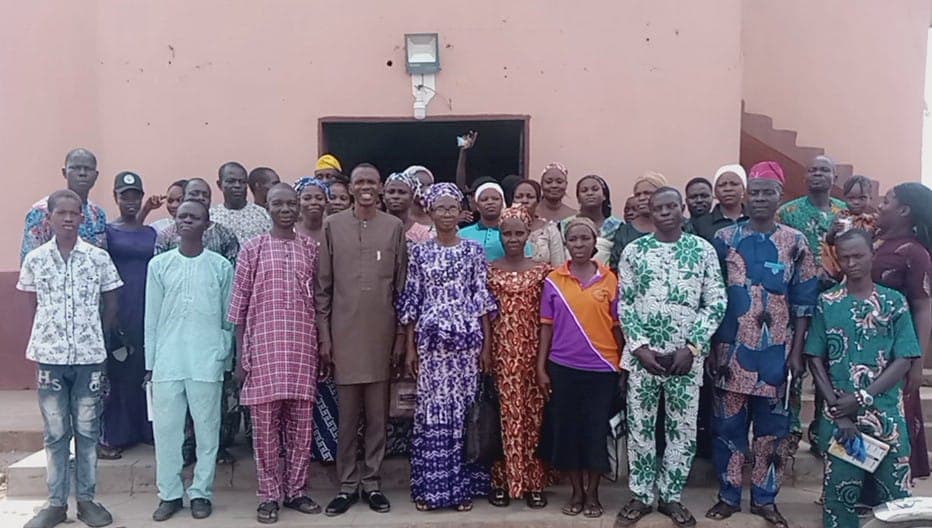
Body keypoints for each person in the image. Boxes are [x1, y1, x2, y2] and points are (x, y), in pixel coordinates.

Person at [705, 164, 818, 528]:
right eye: (754, 192)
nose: (760, 199)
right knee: (728, 429)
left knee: (772, 433)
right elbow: (711, 297)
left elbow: (804, 303)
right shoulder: (724, 239)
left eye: (768, 192)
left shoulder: (795, 242)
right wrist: (710, 348)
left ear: (779, 197)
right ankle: (728, 496)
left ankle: (765, 500)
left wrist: (797, 353)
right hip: (729, 353)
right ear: (745, 196)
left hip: (777, 356)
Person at [615, 188, 727, 527]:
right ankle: (641, 495)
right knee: (641, 428)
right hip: (643, 358)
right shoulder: (635, 251)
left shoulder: (702, 250)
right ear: (650, 212)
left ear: (682, 209)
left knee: (682, 429)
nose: (665, 212)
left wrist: (692, 347)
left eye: (671, 206)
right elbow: (625, 302)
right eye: (658, 208)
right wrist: (639, 347)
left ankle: (671, 496)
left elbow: (716, 301)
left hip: (685, 360)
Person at [19, 189, 122, 528]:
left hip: (89, 358)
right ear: (48, 218)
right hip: (49, 359)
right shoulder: (36, 260)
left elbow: (111, 303)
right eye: (60, 213)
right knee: (55, 432)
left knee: (88, 431)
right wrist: (45, 339)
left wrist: (96, 338)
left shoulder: (97, 258)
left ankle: (87, 501)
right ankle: (55, 503)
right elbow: (31, 306)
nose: (67, 218)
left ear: (81, 217)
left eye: (73, 212)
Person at [805, 229, 918, 528]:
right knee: (840, 497)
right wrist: (838, 411)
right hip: (843, 421)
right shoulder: (828, 302)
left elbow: (904, 358)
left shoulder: (894, 302)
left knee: (896, 498)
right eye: (845, 258)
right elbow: (814, 357)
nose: (851, 263)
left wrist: (864, 397)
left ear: (872, 255)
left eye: (858, 256)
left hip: (886, 416)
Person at [398, 182, 496, 512]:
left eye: (452, 208)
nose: (446, 214)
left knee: (464, 412)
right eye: (440, 208)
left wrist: (486, 348)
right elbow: (412, 300)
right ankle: (432, 489)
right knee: (433, 412)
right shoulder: (419, 252)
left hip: (467, 345)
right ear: (430, 211)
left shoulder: (473, 252)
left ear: (461, 212)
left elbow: (482, 301)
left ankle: (461, 488)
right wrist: (410, 348)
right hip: (431, 346)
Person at [316, 163, 407, 516]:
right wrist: (325, 337)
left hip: (382, 337)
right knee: (348, 418)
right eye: (359, 182)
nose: (366, 187)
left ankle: (372, 483)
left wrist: (400, 337)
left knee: (377, 418)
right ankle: (347, 485)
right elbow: (323, 288)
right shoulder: (332, 226)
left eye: (371, 181)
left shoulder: (393, 227)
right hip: (343, 337)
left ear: (380, 187)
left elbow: (401, 288)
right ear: (350, 187)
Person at [229, 184, 321, 523]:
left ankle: (296, 491)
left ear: (298, 208)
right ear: (267, 207)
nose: (285, 209)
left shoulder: (311, 248)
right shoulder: (252, 248)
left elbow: (320, 301)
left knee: (301, 427)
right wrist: (240, 357)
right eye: (278, 203)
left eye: (291, 203)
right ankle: (268, 495)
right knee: (265, 430)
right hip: (263, 351)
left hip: (302, 349)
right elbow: (238, 308)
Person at [145, 200, 233, 522]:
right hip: (167, 361)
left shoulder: (221, 267)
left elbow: (228, 319)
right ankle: (169, 494)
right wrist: (150, 364)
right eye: (182, 216)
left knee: (207, 432)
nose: (186, 221)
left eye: (194, 217)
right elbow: (151, 318)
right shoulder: (159, 265)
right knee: (167, 433)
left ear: (206, 225)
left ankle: (200, 492)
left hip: (206, 360)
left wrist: (224, 360)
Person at [536, 216, 620, 519]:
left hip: (602, 369)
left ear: (595, 242)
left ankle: (594, 493)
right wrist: (541, 367)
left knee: (595, 431)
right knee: (568, 430)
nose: (579, 244)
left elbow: (618, 327)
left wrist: (622, 366)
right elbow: (546, 327)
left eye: (585, 238)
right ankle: (576, 492)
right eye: (573, 239)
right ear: (566, 243)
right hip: (563, 366)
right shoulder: (553, 280)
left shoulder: (610, 279)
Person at [154, 178, 239, 466]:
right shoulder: (164, 247)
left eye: (203, 195)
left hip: (208, 347)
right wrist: (152, 360)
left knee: (209, 414)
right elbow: (155, 307)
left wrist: (225, 351)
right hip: (172, 349)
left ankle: (208, 471)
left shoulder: (222, 249)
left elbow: (229, 305)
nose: (188, 220)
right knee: (171, 419)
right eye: (193, 195)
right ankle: (177, 470)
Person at [486, 205, 552, 509]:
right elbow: (484, 315)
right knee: (503, 416)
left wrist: (543, 360)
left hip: (533, 353)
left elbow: (548, 318)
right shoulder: (489, 270)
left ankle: (533, 481)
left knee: (533, 417)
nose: (513, 239)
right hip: (500, 354)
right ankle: (502, 481)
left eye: (518, 233)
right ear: (500, 235)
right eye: (507, 233)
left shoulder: (542, 271)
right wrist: (486, 351)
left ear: (528, 235)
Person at [872, 182, 932, 479]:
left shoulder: (915, 253)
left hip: (895, 352)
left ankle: (891, 485)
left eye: (887, 201)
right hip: (862, 346)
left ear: (904, 210)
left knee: (892, 419)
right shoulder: (874, 242)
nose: (880, 206)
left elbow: (923, 306)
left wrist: (916, 362)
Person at [99, 172, 157, 460]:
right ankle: (118, 434)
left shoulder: (151, 233)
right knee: (119, 372)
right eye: (125, 196)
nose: (130, 201)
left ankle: (146, 430)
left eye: (136, 196)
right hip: (118, 309)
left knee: (145, 370)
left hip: (148, 308)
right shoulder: (109, 232)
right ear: (115, 197)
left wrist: (145, 213)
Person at [21, 148, 108, 263]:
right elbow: (29, 260)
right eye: (76, 168)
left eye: (88, 169)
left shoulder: (98, 214)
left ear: (96, 175)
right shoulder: (42, 211)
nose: (82, 173)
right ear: (64, 172)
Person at [155, 178, 240, 264]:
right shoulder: (166, 236)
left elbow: (231, 269)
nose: (200, 198)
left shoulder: (225, 235)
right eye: (194, 194)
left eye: (205, 196)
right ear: (182, 199)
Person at [821, 175, 878, 280]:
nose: (856, 202)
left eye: (862, 198)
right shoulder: (841, 217)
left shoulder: (872, 221)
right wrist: (833, 231)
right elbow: (829, 242)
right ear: (844, 198)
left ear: (870, 198)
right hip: (841, 263)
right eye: (851, 198)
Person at [459, 182, 531, 261]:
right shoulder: (462, 234)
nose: (490, 202)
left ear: (502, 203)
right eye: (484, 199)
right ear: (477, 206)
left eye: (495, 199)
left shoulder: (514, 234)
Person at [560, 175, 621, 265]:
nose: (590, 193)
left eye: (595, 189)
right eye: (584, 190)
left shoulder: (618, 226)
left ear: (604, 195)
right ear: (578, 198)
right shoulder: (564, 225)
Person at [609, 171, 666, 270]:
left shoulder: (677, 227)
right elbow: (616, 266)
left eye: (647, 193)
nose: (641, 198)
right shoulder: (624, 232)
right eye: (637, 195)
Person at [210, 161, 272, 245]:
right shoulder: (211, 216)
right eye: (231, 181)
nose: (237, 185)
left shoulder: (263, 215)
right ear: (219, 184)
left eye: (242, 182)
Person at [512, 179, 566, 267]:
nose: (524, 200)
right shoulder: (503, 228)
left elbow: (558, 266)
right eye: (519, 197)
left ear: (538, 201)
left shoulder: (549, 229)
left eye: (530, 197)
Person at [689, 165, 748, 244]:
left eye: (734, 184)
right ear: (715, 192)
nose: (728, 189)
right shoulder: (700, 224)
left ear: (744, 189)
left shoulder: (756, 219)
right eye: (722, 185)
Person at [384, 172, 433, 243]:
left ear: (412, 197)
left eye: (402, 192)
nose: (395, 196)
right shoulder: (374, 227)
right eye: (391, 192)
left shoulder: (422, 234)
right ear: (383, 196)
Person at [293, 177, 329, 244]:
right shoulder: (290, 231)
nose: (313, 202)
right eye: (307, 198)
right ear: (298, 202)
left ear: (326, 202)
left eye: (319, 198)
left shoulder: (332, 230)